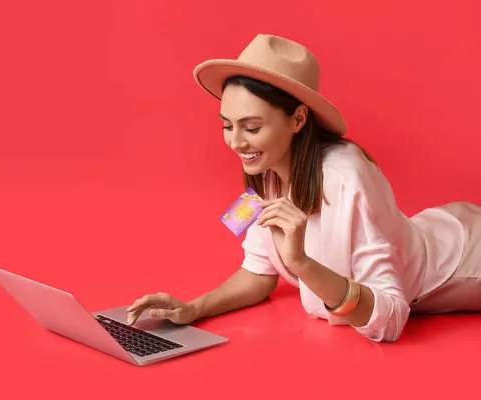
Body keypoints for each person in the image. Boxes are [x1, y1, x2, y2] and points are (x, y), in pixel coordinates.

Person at [125, 34, 481, 342]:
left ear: (297, 119)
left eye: (251, 127)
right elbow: (258, 273)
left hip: (464, 261)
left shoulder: (345, 177)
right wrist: (194, 308)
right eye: (226, 126)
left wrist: (302, 263)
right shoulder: (266, 174)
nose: (235, 142)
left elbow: (390, 319)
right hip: (430, 227)